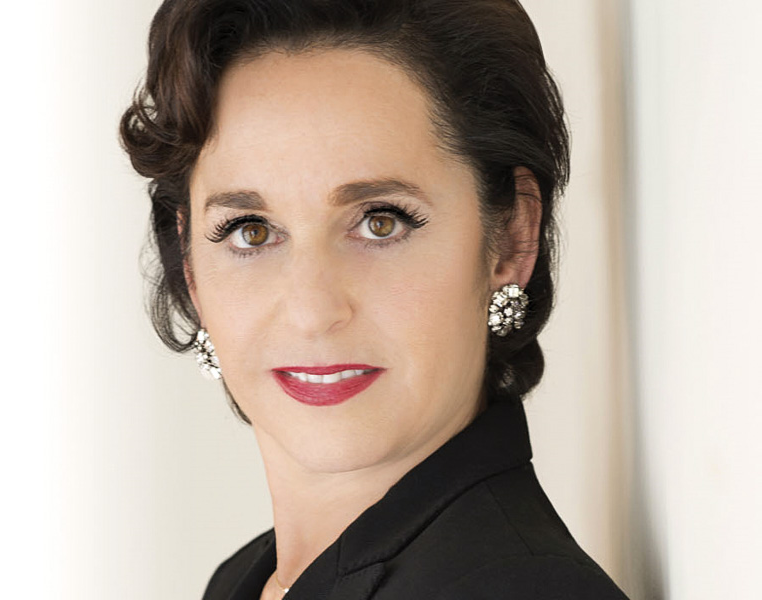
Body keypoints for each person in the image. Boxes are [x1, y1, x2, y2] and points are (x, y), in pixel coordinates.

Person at [120, 0, 630, 598]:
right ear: (189, 263)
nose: (312, 312)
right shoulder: (244, 580)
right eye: (250, 231)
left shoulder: (520, 588)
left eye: (380, 222)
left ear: (511, 236)